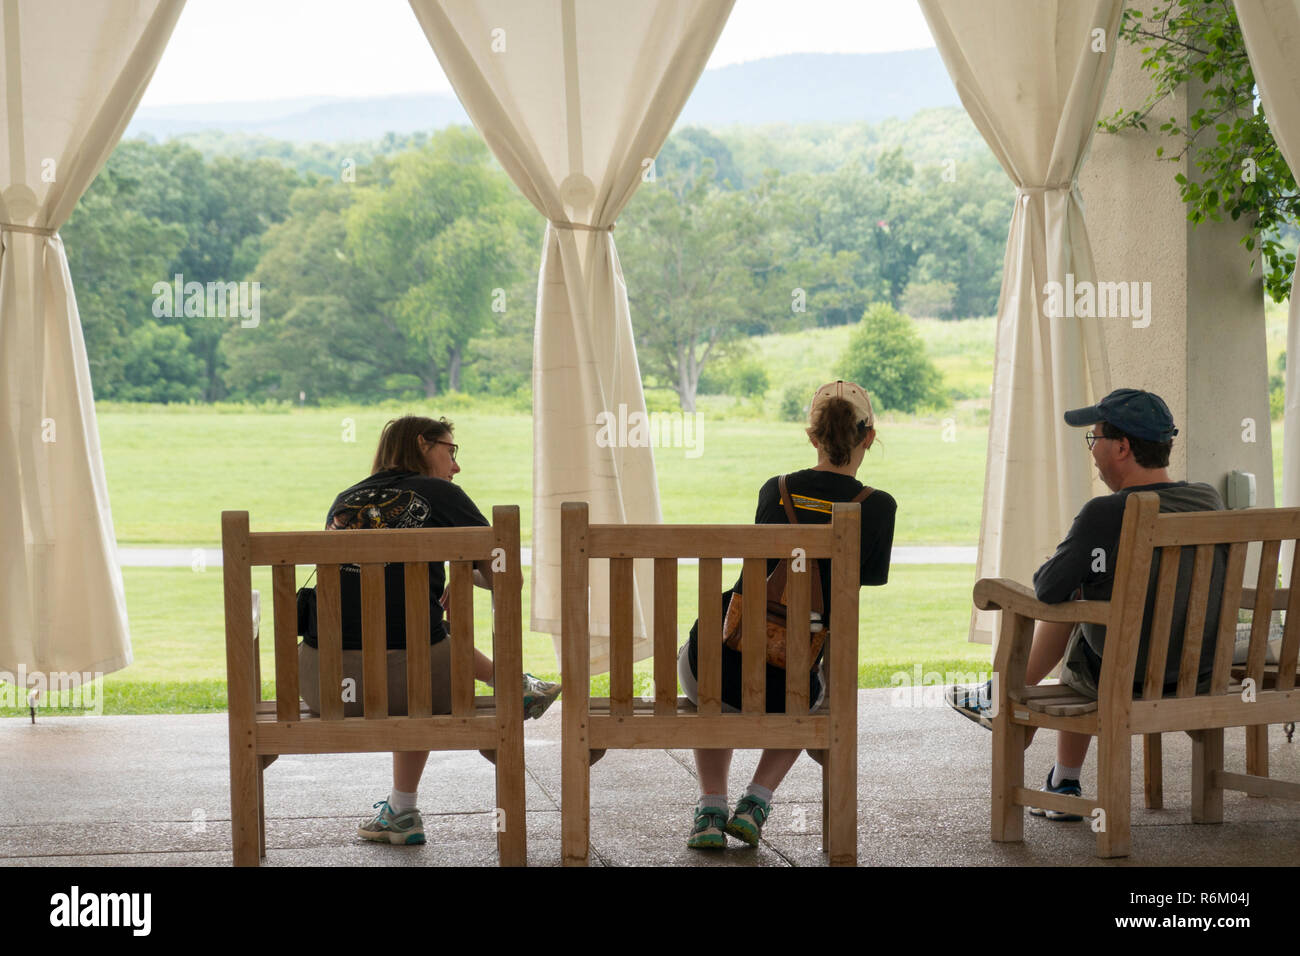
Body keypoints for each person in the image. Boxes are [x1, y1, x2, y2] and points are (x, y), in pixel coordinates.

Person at [945, 388, 1226, 819]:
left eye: (1094, 440)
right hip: (1197, 672)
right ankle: (1062, 778)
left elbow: (1047, 589)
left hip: (1122, 678)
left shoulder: (1107, 513)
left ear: (1122, 447)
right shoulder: (1207, 501)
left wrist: (1071, 577)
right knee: (1091, 595)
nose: (1093, 452)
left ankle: (1000, 698)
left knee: (1078, 607)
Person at [299, 415, 560, 846]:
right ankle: (513, 684)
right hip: (411, 683)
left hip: (321, 685)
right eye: (450, 451)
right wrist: (468, 577)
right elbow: (505, 577)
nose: (455, 466)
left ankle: (401, 812)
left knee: (414, 645)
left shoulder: (345, 499)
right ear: (423, 443)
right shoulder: (441, 494)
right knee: (418, 660)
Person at [678, 381, 896, 849]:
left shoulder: (773, 490)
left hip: (711, 669)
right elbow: (855, 592)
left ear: (812, 436)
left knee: (710, 673)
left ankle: (711, 808)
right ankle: (756, 801)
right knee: (814, 689)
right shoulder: (878, 507)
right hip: (790, 687)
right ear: (869, 437)